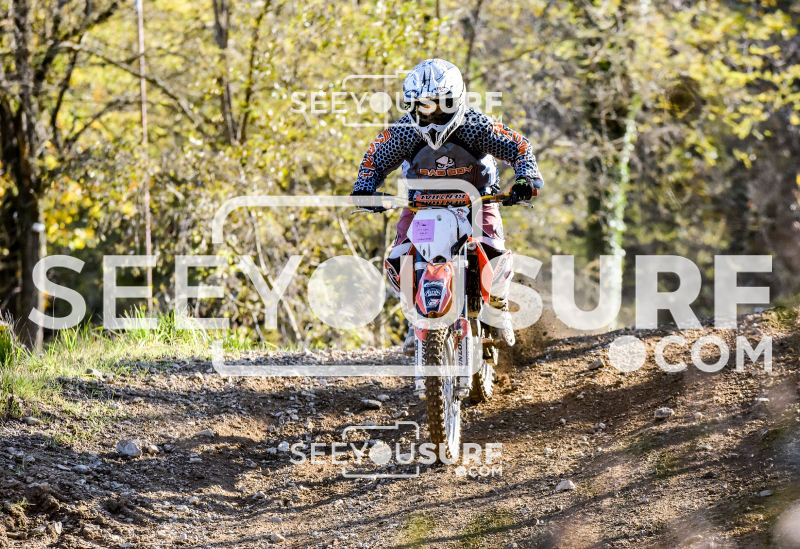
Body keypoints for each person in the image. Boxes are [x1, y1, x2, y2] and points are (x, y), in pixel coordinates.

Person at [350, 58, 544, 354]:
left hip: (478, 198)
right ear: (411, 107)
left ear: (457, 102)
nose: (431, 116)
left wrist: (526, 178)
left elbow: (519, 146)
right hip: (421, 203)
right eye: (423, 108)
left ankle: (498, 305)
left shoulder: (476, 126)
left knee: (493, 249)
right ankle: (415, 317)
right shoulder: (404, 132)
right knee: (400, 257)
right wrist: (364, 188)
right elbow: (374, 159)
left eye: (440, 107)